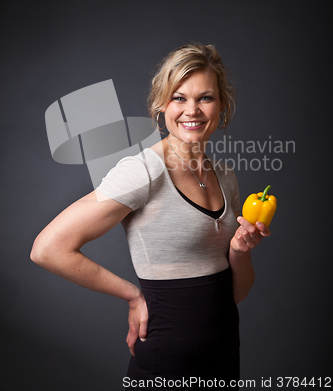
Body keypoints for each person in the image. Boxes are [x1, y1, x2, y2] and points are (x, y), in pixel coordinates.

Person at [31, 43, 271, 390]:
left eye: (205, 97)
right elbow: (47, 248)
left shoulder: (224, 175)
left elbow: (238, 293)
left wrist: (240, 249)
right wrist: (133, 295)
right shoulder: (143, 172)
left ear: (222, 106)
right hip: (164, 366)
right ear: (161, 105)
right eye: (179, 98)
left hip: (223, 360)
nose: (193, 110)